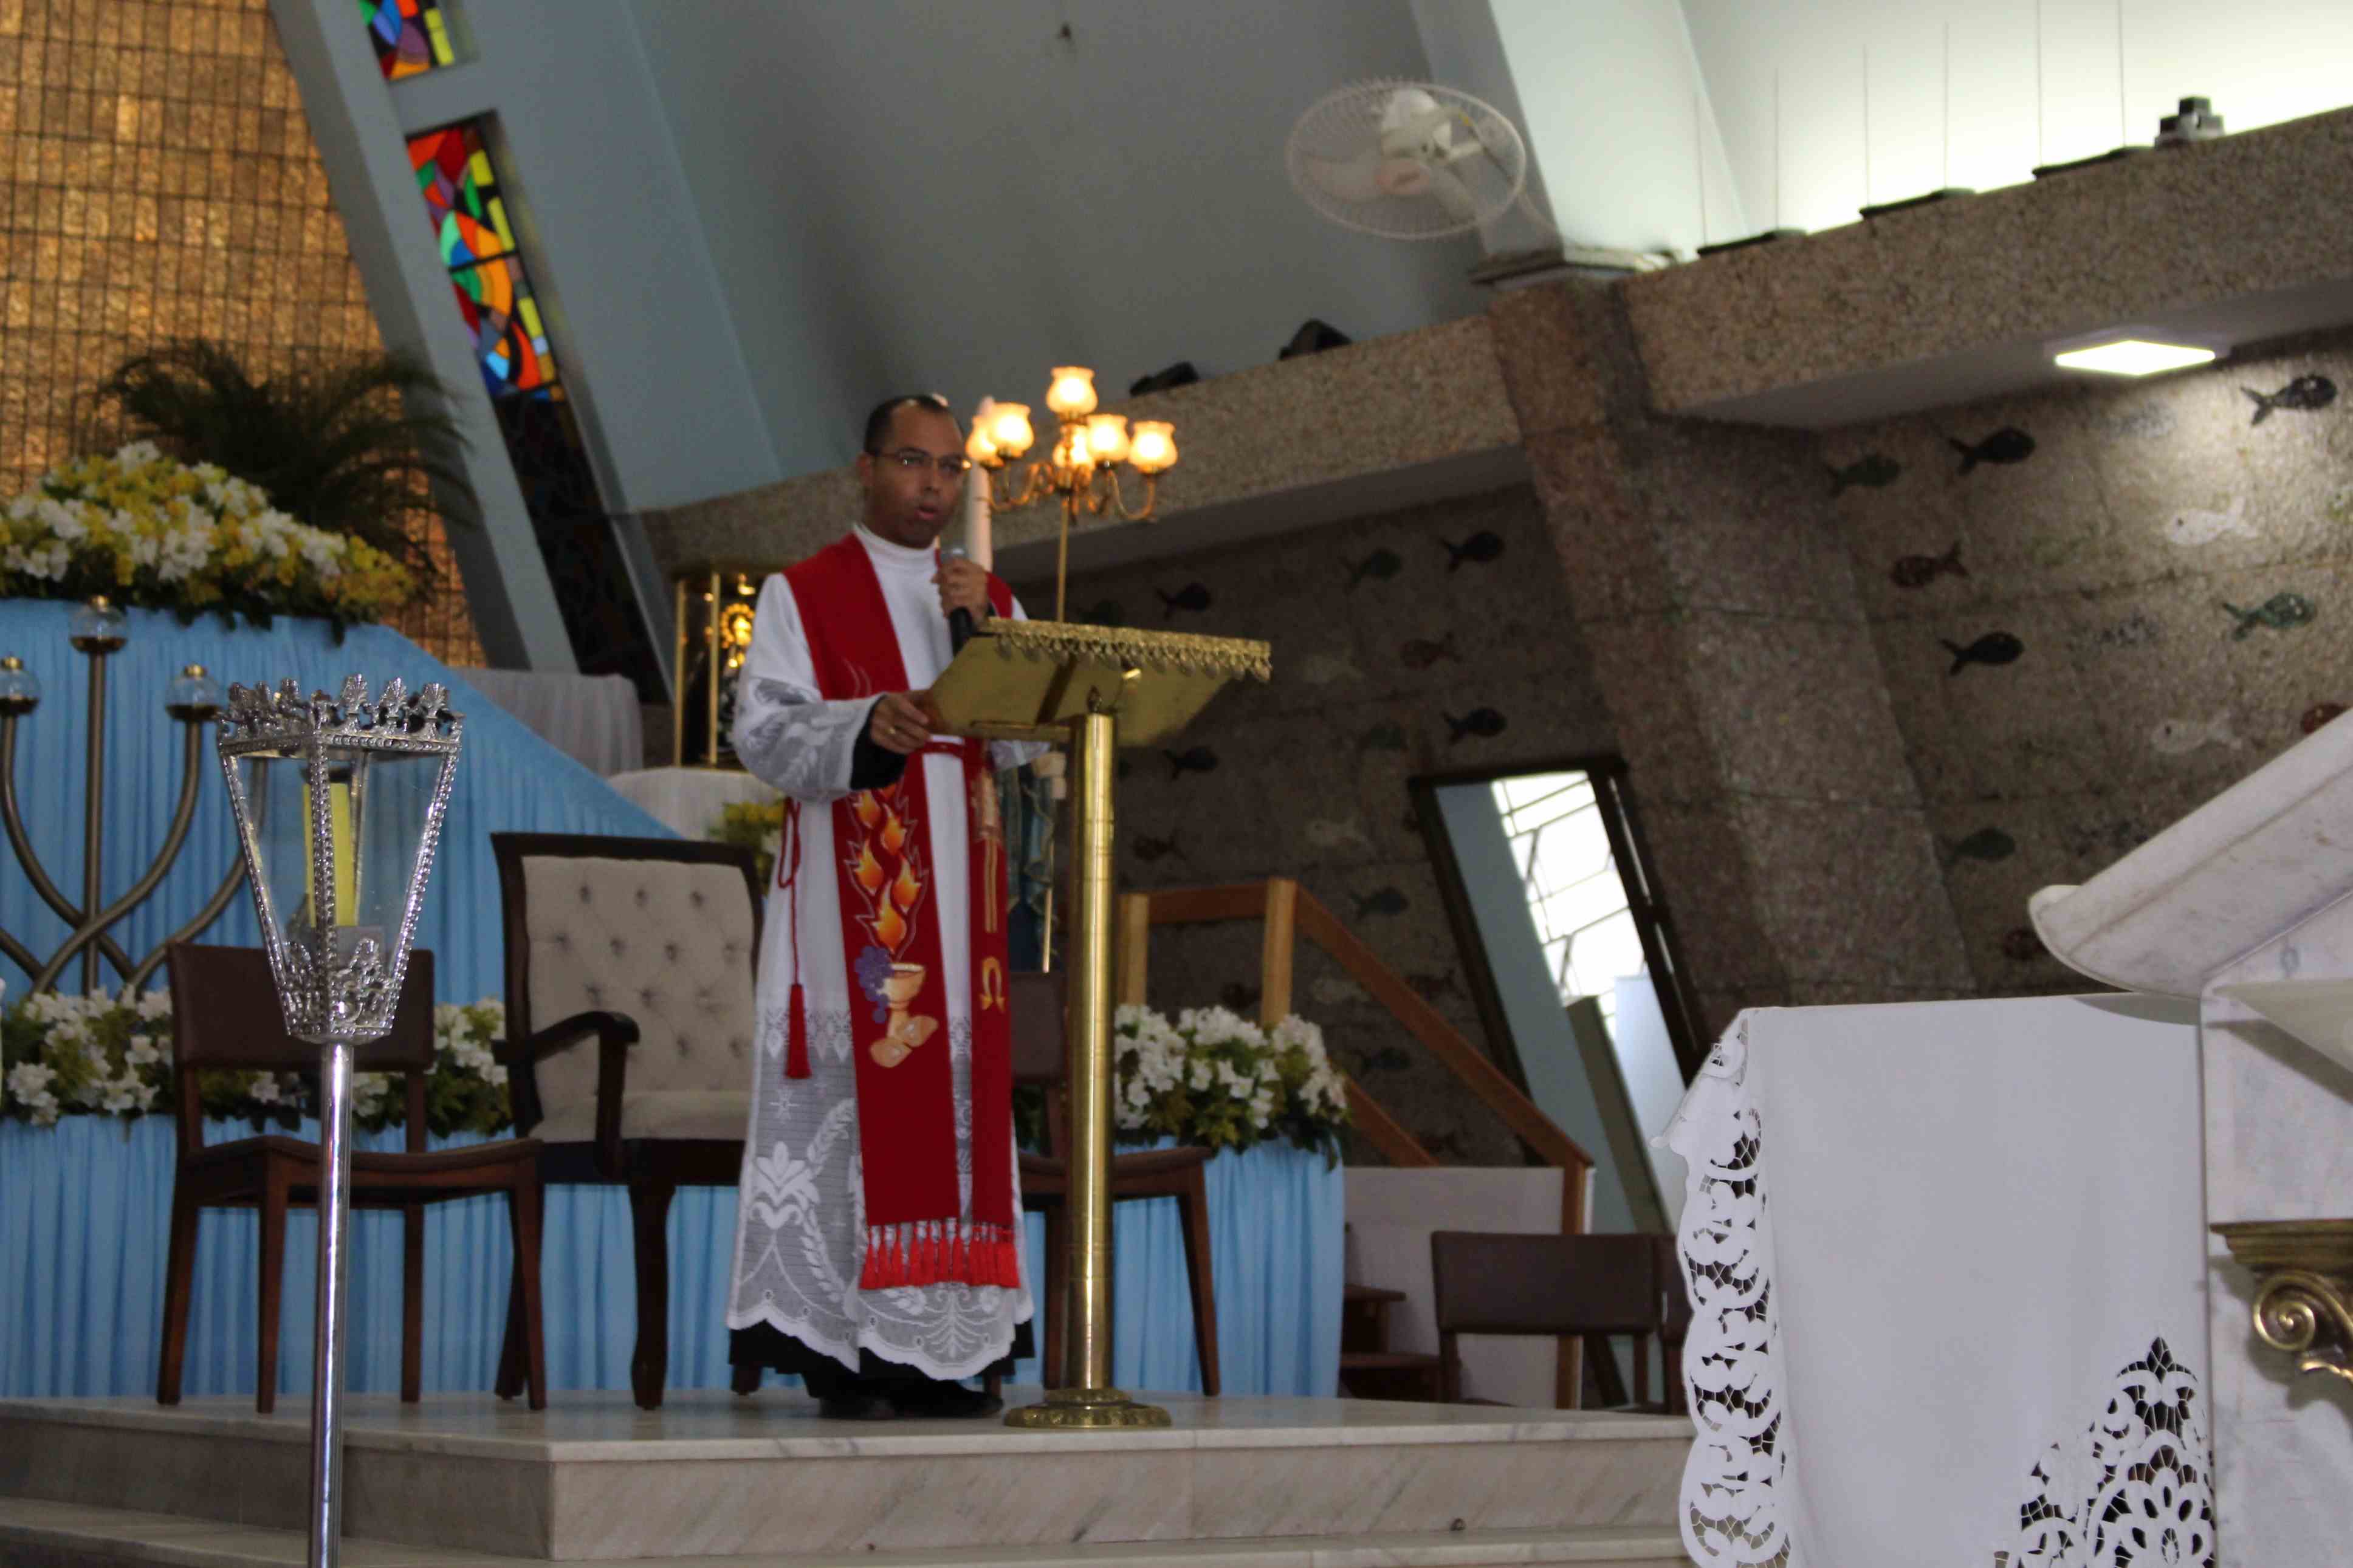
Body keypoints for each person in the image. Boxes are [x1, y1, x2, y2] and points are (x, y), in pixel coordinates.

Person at [724, 393, 1040, 1419]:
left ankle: (946, 1348)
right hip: (852, 892)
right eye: (912, 461)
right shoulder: (803, 591)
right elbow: (764, 732)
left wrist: (992, 631)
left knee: (955, 1112)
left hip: (966, 889)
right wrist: (867, 725)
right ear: (865, 469)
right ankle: (842, 1351)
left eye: (949, 468)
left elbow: (1028, 737)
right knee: (857, 1110)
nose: (932, 485)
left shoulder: (984, 596)